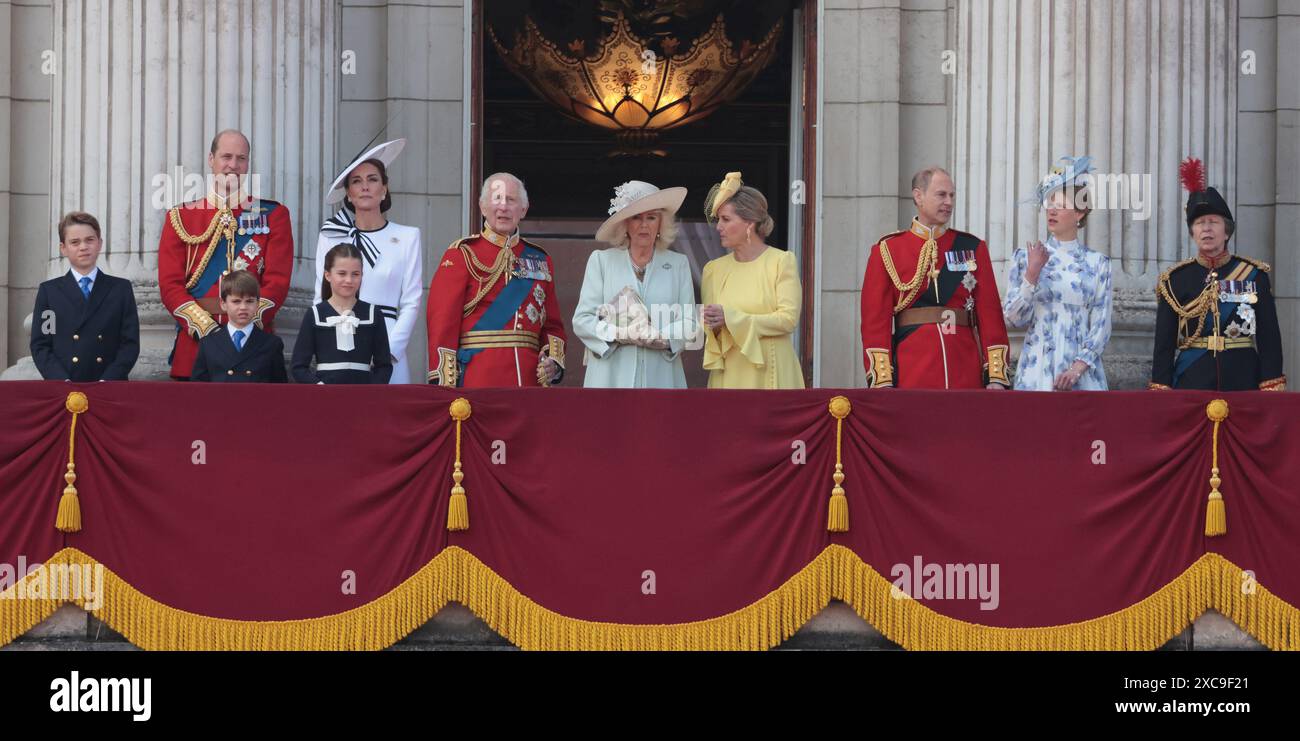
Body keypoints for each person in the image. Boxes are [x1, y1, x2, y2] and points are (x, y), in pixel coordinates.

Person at [158, 129, 292, 380]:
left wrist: (243, 324)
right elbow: (170, 285)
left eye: (241, 158)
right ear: (211, 159)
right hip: (196, 345)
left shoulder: (273, 215)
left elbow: (278, 281)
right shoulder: (181, 216)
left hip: (253, 347)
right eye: (226, 157)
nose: (233, 165)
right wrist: (207, 329)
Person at [860, 166, 1010, 389]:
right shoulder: (889, 249)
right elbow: (875, 322)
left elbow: (990, 315)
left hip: (965, 368)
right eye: (941, 194)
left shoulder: (972, 247)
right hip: (913, 370)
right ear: (918, 196)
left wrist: (995, 376)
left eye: (952, 195)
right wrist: (883, 380)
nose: (949, 202)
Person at [1150, 157, 1285, 391]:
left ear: (1226, 232)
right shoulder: (1174, 279)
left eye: (1213, 222)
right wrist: (1161, 385)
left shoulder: (1254, 275)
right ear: (1192, 233)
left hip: (1243, 377)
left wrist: (1270, 382)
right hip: (1192, 378)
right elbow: (1164, 342)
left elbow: (1268, 335)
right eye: (1200, 223)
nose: (1206, 229)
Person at [425, 172, 567, 388]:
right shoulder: (462, 254)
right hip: (478, 377)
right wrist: (445, 380)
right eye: (496, 199)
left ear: (523, 209)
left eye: (511, 200)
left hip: (530, 381)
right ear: (482, 207)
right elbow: (442, 321)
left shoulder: (539, 258)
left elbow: (553, 325)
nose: (503, 207)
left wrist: (552, 362)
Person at [314, 138, 421, 384]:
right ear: (348, 194)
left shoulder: (408, 237)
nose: (365, 187)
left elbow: (412, 302)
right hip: (341, 341)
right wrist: (331, 347)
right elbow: (321, 296)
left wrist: (389, 352)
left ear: (384, 189)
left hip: (389, 342)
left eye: (372, 180)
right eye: (356, 181)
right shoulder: (331, 236)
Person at [1003, 156, 1113, 390]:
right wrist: (1031, 275)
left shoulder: (1098, 263)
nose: (1052, 211)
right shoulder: (1026, 256)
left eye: (1061, 205)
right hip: (1037, 370)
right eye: (1049, 204)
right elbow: (1013, 318)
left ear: (1079, 213)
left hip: (1082, 374)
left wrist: (1077, 368)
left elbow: (1102, 324)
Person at [572, 181, 695, 388]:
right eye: (636, 217)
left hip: (662, 378)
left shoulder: (678, 264)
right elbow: (583, 320)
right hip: (610, 379)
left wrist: (660, 338)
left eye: (651, 217)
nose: (644, 224)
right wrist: (620, 334)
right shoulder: (601, 261)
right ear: (625, 224)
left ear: (660, 224)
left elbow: (691, 322)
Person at [699, 172, 804, 389]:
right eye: (719, 219)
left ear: (750, 223)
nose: (718, 226)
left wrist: (732, 318)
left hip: (771, 371)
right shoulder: (713, 270)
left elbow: (788, 320)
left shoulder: (781, 261)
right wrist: (712, 325)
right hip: (728, 374)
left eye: (726, 219)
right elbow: (712, 331)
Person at [31, 212, 140, 381]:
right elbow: (41, 344)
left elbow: (130, 343)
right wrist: (61, 380)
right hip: (64, 387)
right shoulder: (49, 292)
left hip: (109, 386)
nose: (83, 247)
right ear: (63, 248)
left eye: (90, 240)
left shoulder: (120, 289)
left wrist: (109, 380)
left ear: (99, 243)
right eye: (75, 242)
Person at [293, 243, 393, 384]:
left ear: (362, 275)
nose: (349, 280)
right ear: (328, 275)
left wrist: (372, 390)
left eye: (355, 274)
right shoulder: (315, 314)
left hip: (364, 398)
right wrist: (319, 388)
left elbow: (384, 366)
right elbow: (298, 367)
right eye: (342, 273)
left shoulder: (373, 314)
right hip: (325, 397)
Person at [191, 270, 287, 383]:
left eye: (249, 301)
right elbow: (198, 390)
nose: (243, 307)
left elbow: (279, 390)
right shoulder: (208, 344)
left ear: (257, 304)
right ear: (223, 304)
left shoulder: (271, 344)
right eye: (236, 301)